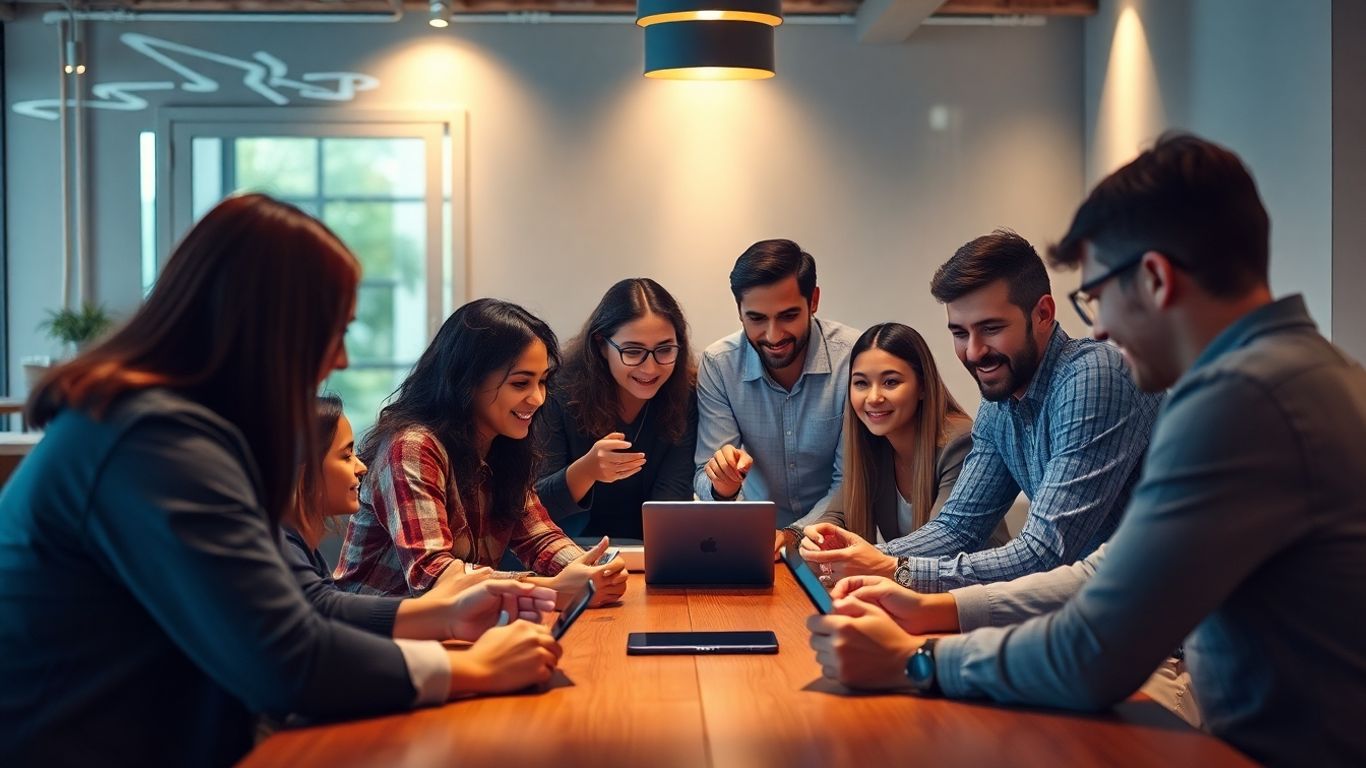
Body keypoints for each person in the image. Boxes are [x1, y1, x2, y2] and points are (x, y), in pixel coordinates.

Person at [807, 133, 1366, 766]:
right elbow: (1101, 571)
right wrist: (929, 603)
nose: (1098, 326)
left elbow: (1093, 649)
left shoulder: (1239, 401)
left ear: (1154, 279)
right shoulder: (1298, 374)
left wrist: (915, 658)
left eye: (1097, 294)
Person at [0, 195, 562, 766]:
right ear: (270, 328)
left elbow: (297, 605)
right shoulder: (151, 439)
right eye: (332, 331)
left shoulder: (164, 427)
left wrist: (440, 614)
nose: (339, 358)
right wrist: (469, 667)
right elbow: (284, 660)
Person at [801, 230, 1161, 590]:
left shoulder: (1093, 376)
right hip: (1104, 615)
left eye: (991, 328)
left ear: (1044, 314)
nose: (973, 352)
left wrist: (893, 568)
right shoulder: (999, 405)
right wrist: (867, 559)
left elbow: (1045, 551)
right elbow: (958, 528)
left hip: (1170, 627)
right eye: (959, 333)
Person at [333, 298, 628, 609]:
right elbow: (433, 578)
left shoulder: (503, 444)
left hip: (448, 632)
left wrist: (592, 569)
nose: (538, 398)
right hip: (373, 639)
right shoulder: (412, 447)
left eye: (542, 382)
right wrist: (551, 590)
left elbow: (539, 537)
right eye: (520, 383)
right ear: (468, 379)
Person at [284, 394, 556, 640]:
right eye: (346, 455)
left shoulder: (303, 553)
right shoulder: (284, 554)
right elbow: (329, 619)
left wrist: (446, 616)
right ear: (302, 472)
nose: (361, 466)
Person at [694, 239, 860, 548]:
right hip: (754, 539)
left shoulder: (854, 358)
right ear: (739, 311)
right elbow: (704, 477)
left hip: (839, 537)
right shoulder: (719, 364)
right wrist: (721, 486)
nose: (773, 336)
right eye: (756, 318)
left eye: (787, 316)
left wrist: (793, 534)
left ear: (813, 301)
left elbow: (851, 481)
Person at [803, 323, 1008, 560]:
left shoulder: (960, 443)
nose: (874, 397)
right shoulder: (872, 443)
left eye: (890, 382)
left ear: (922, 386)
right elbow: (837, 516)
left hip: (971, 589)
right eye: (861, 383)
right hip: (910, 589)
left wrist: (867, 556)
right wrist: (819, 537)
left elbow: (943, 543)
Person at [535, 278, 698, 540]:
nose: (650, 368)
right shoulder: (557, 393)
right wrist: (585, 471)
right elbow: (536, 509)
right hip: (565, 552)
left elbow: (672, 506)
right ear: (601, 345)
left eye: (665, 350)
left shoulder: (685, 395)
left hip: (651, 550)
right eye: (633, 352)